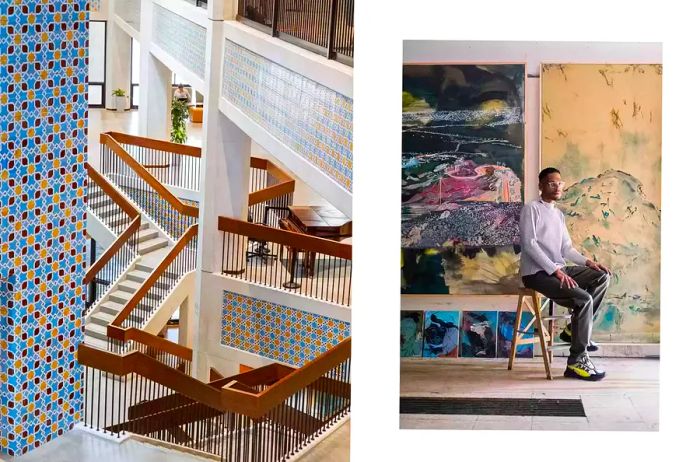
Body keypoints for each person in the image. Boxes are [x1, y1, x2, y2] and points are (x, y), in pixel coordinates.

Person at [519, 167, 612, 381]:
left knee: (601, 277)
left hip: (558, 269)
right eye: (552, 183)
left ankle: (573, 329)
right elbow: (529, 245)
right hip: (536, 273)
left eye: (560, 183)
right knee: (583, 298)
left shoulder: (558, 215)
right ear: (541, 186)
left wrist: (589, 262)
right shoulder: (531, 209)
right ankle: (576, 361)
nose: (557, 186)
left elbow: (566, 249)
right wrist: (556, 271)